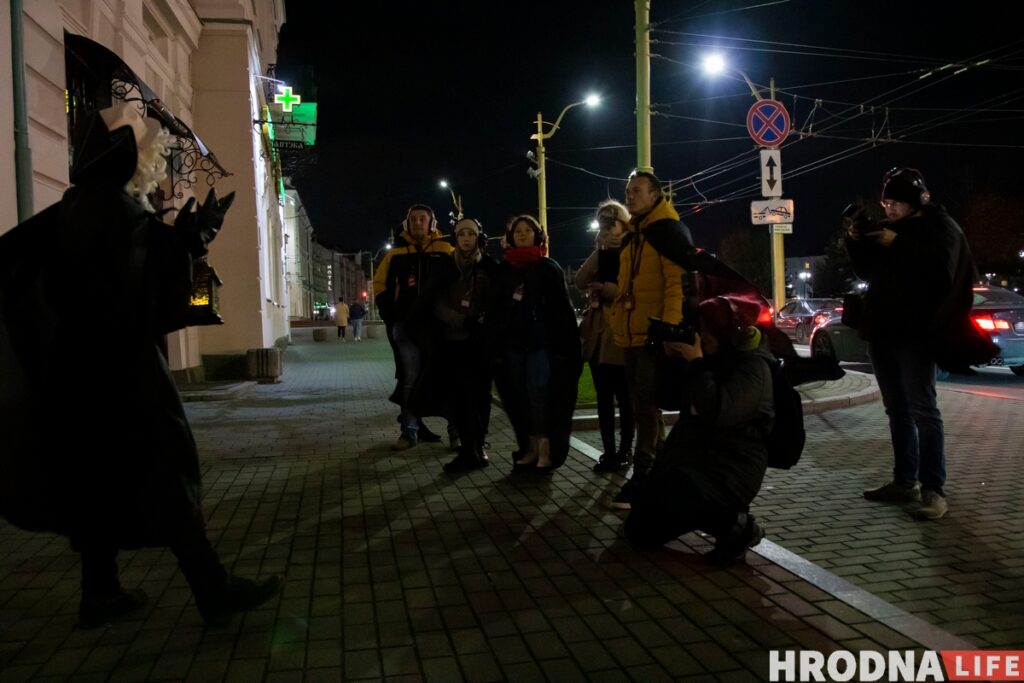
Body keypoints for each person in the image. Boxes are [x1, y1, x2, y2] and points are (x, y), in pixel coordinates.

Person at [0, 103, 280, 628]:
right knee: (166, 470)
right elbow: (140, 293)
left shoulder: (76, 205)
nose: (153, 156)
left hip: (75, 370)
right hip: (122, 370)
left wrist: (176, 240)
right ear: (121, 154)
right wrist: (192, 241)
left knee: (94, 477)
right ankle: (213, 590)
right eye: (145, 146)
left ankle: (100, 593)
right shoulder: (115, 210)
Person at [845, 167, 981, 520]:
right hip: (883, 332)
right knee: (897, 411)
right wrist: (856, 241)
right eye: (885, 202)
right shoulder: (889, 230)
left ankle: (933, 490)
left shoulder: (939, 227)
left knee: (924, 411)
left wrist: (899, 244)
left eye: (896, 202)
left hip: (917, 336)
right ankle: (903, 481)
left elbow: (941, 275)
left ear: (915, 201)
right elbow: (867, 272)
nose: (889, 208)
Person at [624, 295, 773, 565]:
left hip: (731, 467)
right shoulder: (708, 359)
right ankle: (715, 516)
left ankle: (739, 527)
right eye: (699, 329)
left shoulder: (753, 368)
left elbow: (718, 411)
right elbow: (667, 399)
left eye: (708, 330)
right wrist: (670, 360)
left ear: (727, 332)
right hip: (694, 461)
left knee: (681, 495)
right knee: (639, 531)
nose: (701, 336)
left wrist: (696, 364)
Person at [607, 171, 694, 509]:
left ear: (655, 194)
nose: (629, 196)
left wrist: (668, 329)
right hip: (630, 335)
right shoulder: (632, 235)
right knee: (642, 405)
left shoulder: (668, 232)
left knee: (644, 407)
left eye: (637, 191)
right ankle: (665, 470)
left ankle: (642, 476)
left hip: (653, 336)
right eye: (627, 191)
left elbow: (676, 285)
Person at [493, 215, 582, 472]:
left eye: (528, 230)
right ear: (510, 237)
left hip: (540, 345)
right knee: (519, 398)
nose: (522, 234)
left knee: (539, 396)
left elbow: (562, 311)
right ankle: (529, 447)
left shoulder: (548, 267)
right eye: (517, 231)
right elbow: (497, 309)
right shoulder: (504, 270)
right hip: (513, 346)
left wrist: (566, 348)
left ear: (537, 235)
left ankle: (545, 449)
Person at [373, 204, 455, 450]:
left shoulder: (446, 250)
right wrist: (391, 316)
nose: (418, 222)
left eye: (423, 219)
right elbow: (380, 285)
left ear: (432, 223)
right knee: (409, 379)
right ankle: (409, 433)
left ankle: (457, 433)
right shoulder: (395, 254)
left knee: (447, 379)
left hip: (440, 329)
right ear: (407, 224)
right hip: (406, 329)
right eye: (413, 219)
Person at [421, 217, 500, 472]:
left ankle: (479, 446)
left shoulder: (489, 266)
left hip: (480, 344)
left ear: (479, 237)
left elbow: (497, 302)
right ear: (456, 238)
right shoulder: (445, 266)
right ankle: (467, 449)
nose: (466, 238)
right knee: (458, 398)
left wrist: (481, 321)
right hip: (451, 343)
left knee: (481, 397)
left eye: (471, 234)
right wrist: (460, 320)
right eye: (462, 234)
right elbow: (435, 301)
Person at [575, 200, 634, 472]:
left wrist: (608, 288)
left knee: (625, 397)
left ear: (624, 224)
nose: (607, 230)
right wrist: (599, 252)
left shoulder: (634, 250)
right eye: (602, 225)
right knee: (603, 398)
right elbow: (579, 280)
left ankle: (625, 450)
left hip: (622, 333)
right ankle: (608, 451)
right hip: (599, 337)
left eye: (611, 224)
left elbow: (636, 289)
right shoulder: (600, 253)